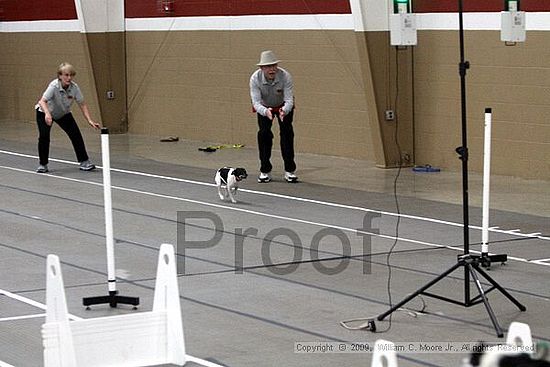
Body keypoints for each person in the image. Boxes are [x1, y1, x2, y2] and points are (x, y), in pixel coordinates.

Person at [35, 62, 101, 173]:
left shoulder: (74, 88)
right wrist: (47, 114)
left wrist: (89, 120)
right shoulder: (54, 86)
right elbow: (42, 101)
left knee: (76, 135)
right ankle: (43, 164)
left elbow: (82, 104)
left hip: (63, 114)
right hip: (45, 113)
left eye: (71, 75)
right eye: (66, 75)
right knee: (44, 137)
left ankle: (84, 162)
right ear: (60, 76)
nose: (69, 78)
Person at [250, 50, 298, 183]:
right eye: (268, 67)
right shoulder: (255, 78)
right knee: (264, 134)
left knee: (287, 134)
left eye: (274, 66)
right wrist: (266, 112)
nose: (272, 69)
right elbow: (255, 102)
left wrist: (284, 110)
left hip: (283, 106)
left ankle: (289, 170)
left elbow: (289, 99)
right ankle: (265, 170)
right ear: (261, 68)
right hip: (264, 108)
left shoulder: (285, 76)